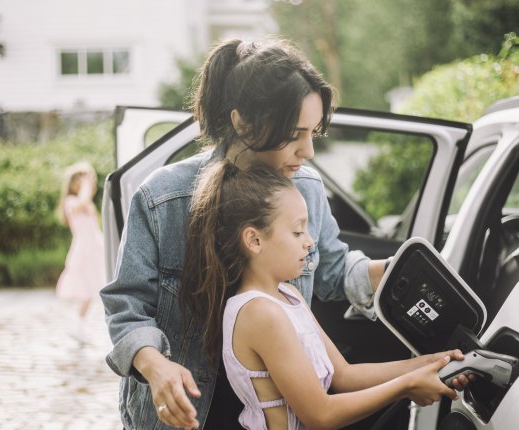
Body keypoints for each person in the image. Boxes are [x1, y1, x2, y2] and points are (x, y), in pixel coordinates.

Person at [101, 38, 404, 429]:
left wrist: (393, 271)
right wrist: (156, 366)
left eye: (314, 132)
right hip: (185, 417)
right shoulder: (162, 198)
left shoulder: (307, 188)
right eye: (294, 134)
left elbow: (331, 270)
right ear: (243, 122)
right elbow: (126, 306)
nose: (308, 150)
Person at [182, 160, 468, 429]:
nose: (309, 242)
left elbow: (344, 377)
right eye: (297, 232)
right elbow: (320, 414)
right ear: (254, 240)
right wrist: (407, 386)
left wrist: (432, 363)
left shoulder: (288, 296)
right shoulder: (259, 313)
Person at [56, 162, 106, 345]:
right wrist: (86, 186)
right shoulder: (72, 202)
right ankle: (77, 325)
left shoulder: (85, 203)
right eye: (83, 181)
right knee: (87, 289)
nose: (87, 184)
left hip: (94, 248)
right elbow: (82, 203)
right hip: (84, 250)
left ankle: (79, 325)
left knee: (92, 290)